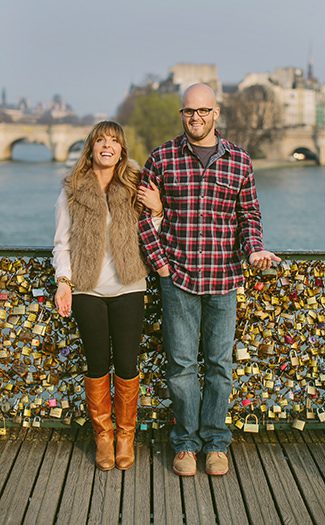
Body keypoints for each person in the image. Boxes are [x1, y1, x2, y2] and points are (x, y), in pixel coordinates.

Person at [138, 83, 281, 477]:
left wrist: (254, 250)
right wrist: (162, 266)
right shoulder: (162, 159)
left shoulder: (239, 160)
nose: (195, 117)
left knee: (220, 365)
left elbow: (248, 216)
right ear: (182, 114)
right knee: (181, 366)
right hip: (178, 277)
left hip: (223, 277)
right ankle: (186, 444)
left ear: (216, 113)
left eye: (203, 111)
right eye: (189, 111)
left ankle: (216, 443)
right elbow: (143, 218)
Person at [52, 120, 163, 470]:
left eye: (114, 140)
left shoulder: (135, 183)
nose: (107, 146)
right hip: (87, 287)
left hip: (129, 284)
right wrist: (63, 281)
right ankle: (103, 435)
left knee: (128, 364)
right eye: (101, 140)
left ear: (121, 149)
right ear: (91, 147)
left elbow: (151, 232)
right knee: (97, 362)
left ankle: (125, 435)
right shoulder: (72, 188)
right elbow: (62, 242)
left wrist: (158, 209)